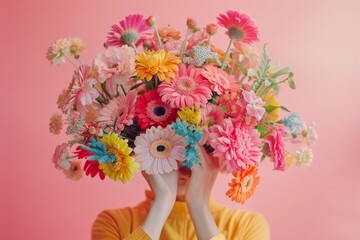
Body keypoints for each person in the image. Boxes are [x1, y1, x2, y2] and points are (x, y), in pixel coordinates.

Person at [91, 145, 270, 240]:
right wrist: (162, 204)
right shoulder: (113, 223)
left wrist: (199, 206)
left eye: (194, 155)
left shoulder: (248, 226)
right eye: (166, 150)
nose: (183, 167)